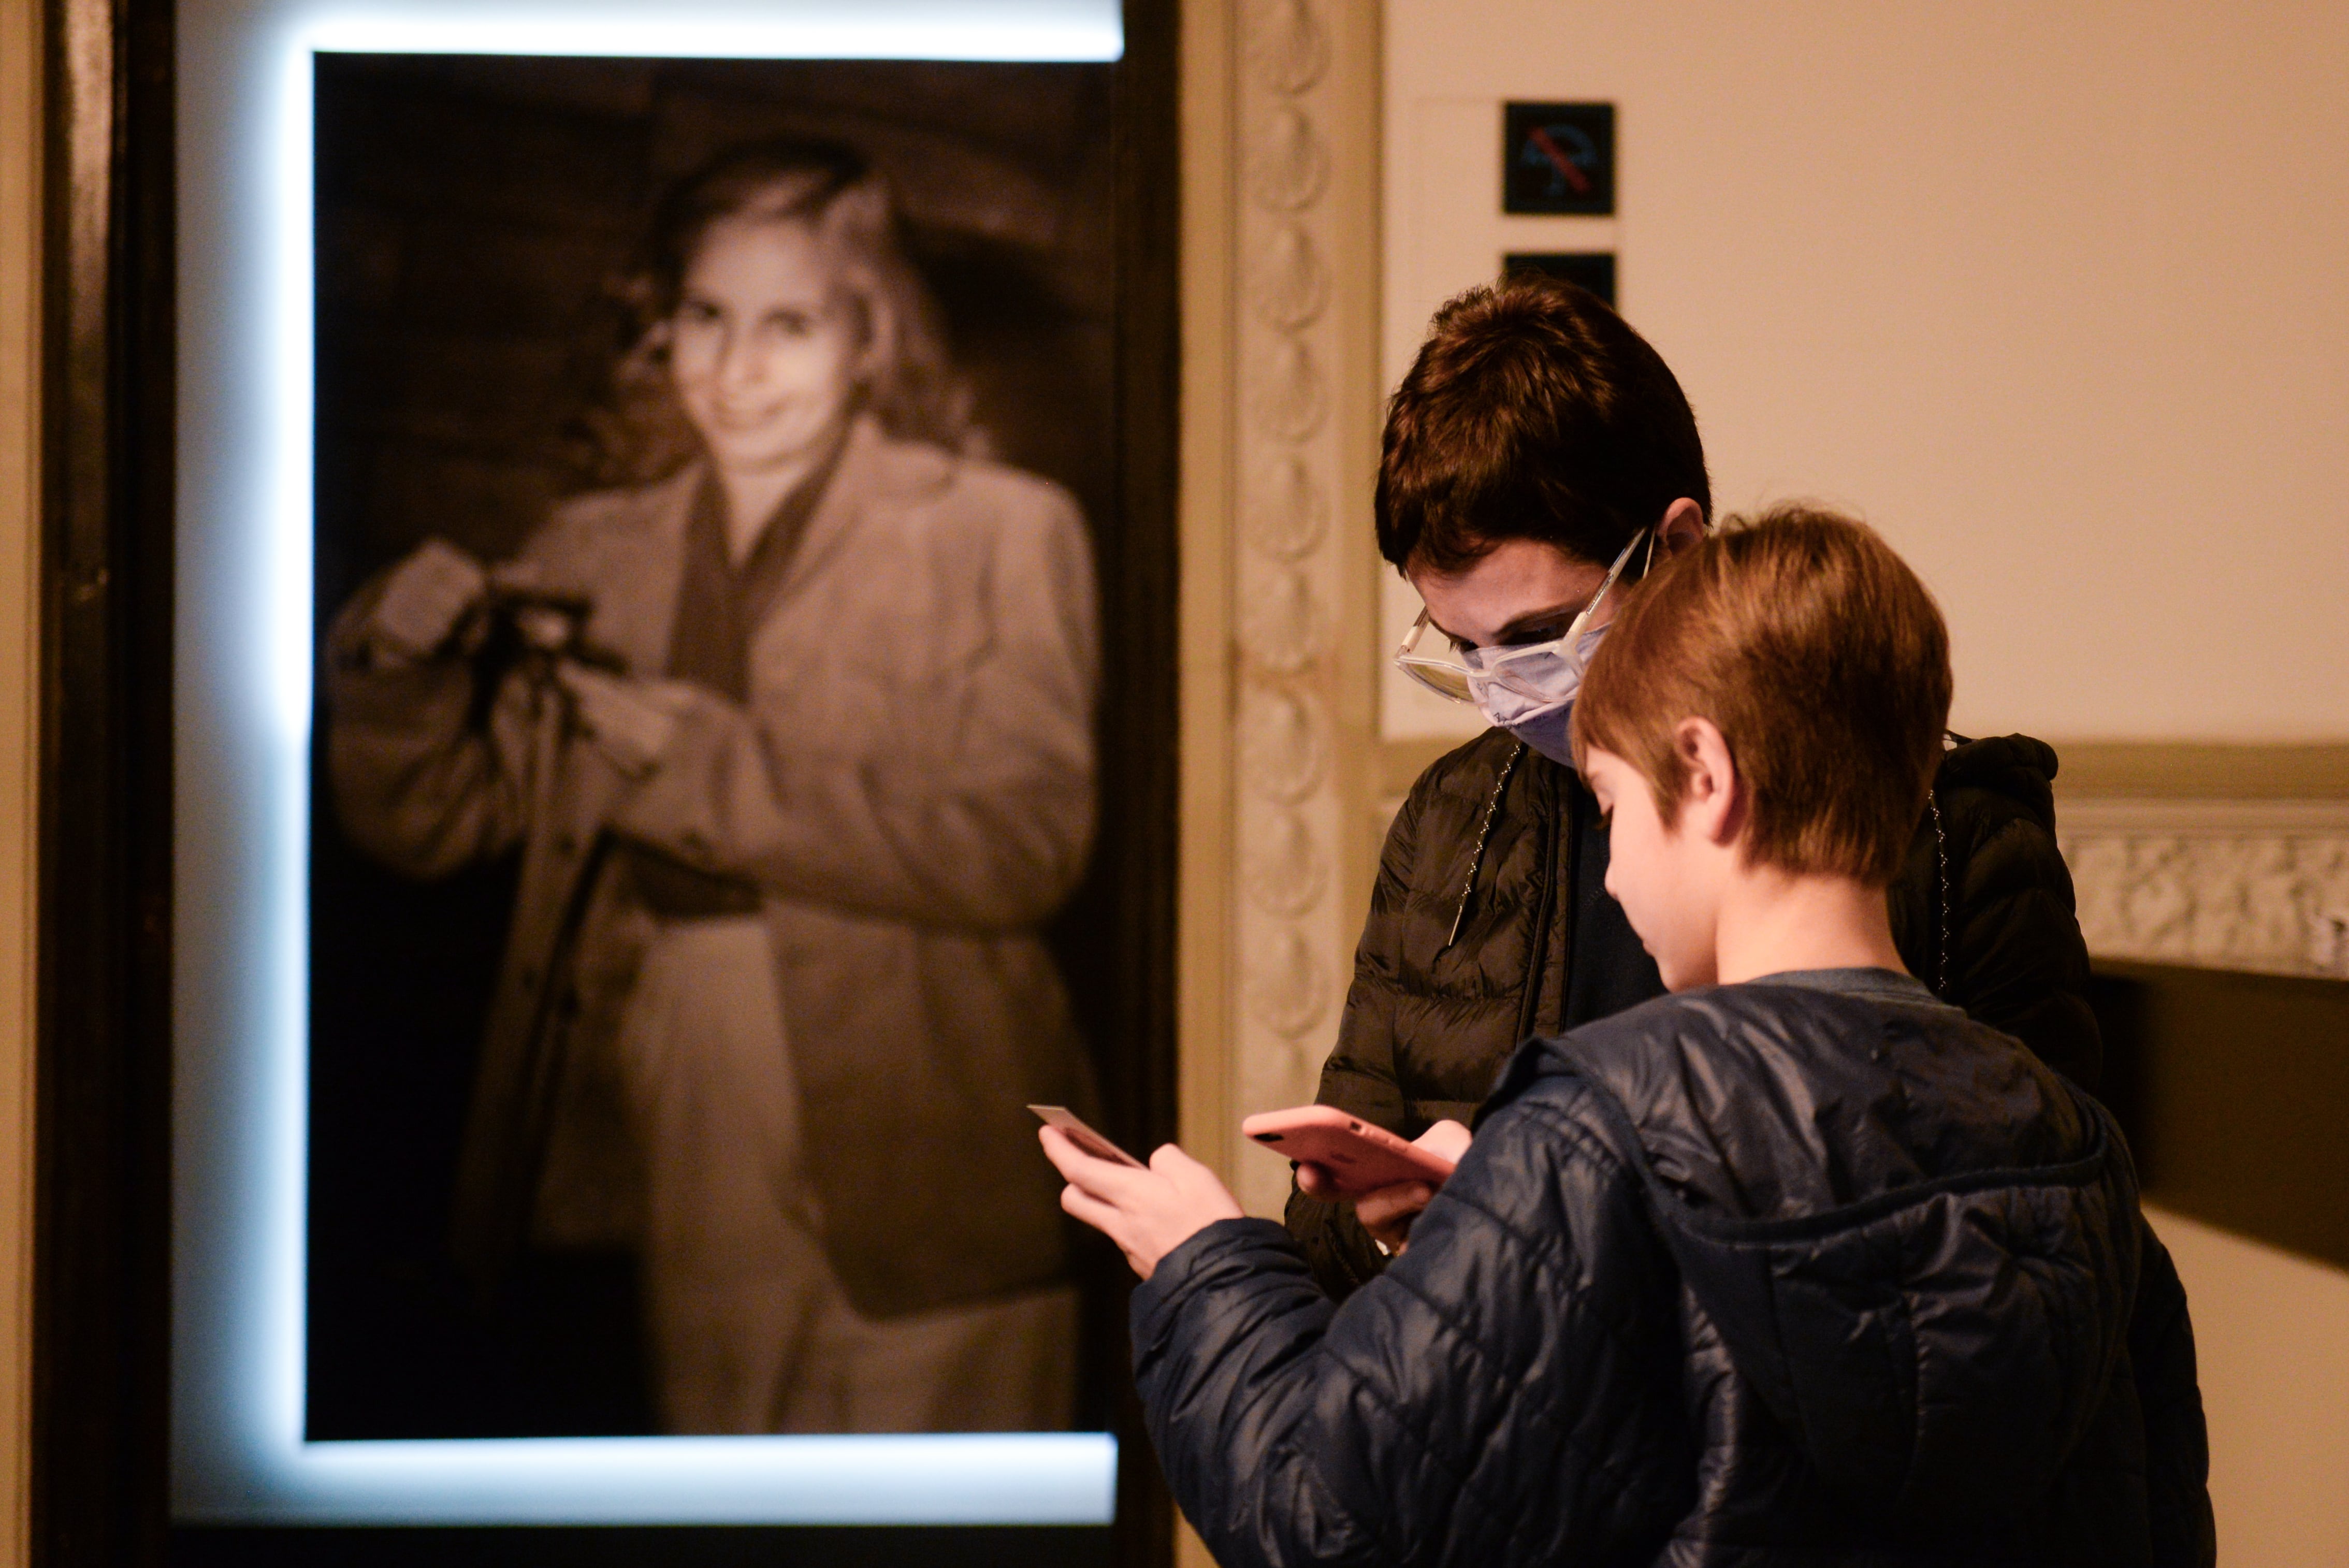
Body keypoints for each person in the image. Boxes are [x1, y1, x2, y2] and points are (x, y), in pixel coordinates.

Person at [1043, 510, 2214, 1567]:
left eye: (1609, 807)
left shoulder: (1603, 1125)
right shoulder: (2077, 1146)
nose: (1611, 873)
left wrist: (1205, 1263)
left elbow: (1329, 1514)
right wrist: (1510, 1208)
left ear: (1703, 774)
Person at [325, 139, 1100, 1434]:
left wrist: (710, 775)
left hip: (936, 1105)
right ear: (660, 326)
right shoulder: (590, 548)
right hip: (676, 1094)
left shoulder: (1002, 530)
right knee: (733, 1475)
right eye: (704, 317)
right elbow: (437, 821)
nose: (735, 371)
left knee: (947, 1492)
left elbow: (1028, 841)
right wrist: (394, 675)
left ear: (869, 335)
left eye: (787, 325)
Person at [1290, 277, 2102, 1297]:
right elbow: (1325, 1227)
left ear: (1678, 545)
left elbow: (2048, 1259)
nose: (1508, 694)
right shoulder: (1454, 825)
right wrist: (1400, 1229)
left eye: (1542, 637)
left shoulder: (1954, 838)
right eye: (1466, 651)